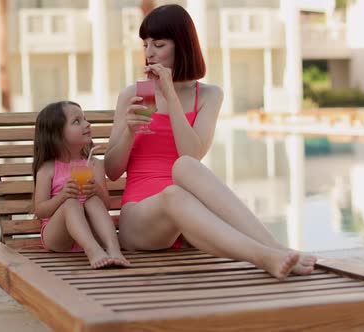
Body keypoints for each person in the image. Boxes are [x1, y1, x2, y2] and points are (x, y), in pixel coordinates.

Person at [104, 4, 316, 279]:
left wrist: (170, 95)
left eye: (158, 44)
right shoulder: (132, 95)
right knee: (173, 194)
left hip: (189, 219)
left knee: (184, 168)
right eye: (145, 45)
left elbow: (191, 154)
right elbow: (111, 170)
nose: (149, 53)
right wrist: (129, 132)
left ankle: (276, 247)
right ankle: (264, 257)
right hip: (141, 220)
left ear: (181, 45)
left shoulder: (208, 95)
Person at [33, 101, 130, 269]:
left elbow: (105, 204)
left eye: (85, 119)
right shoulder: (48, 168)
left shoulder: (94, 164)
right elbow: (40, 211)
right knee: (71, 203)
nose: (87, 124)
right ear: (57, 134)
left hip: (92, 232)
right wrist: (62, 197)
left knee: (92, 199)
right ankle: (93, 251)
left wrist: (96, 190)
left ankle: (114, 249)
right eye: (77, 121)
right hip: (58, 237)